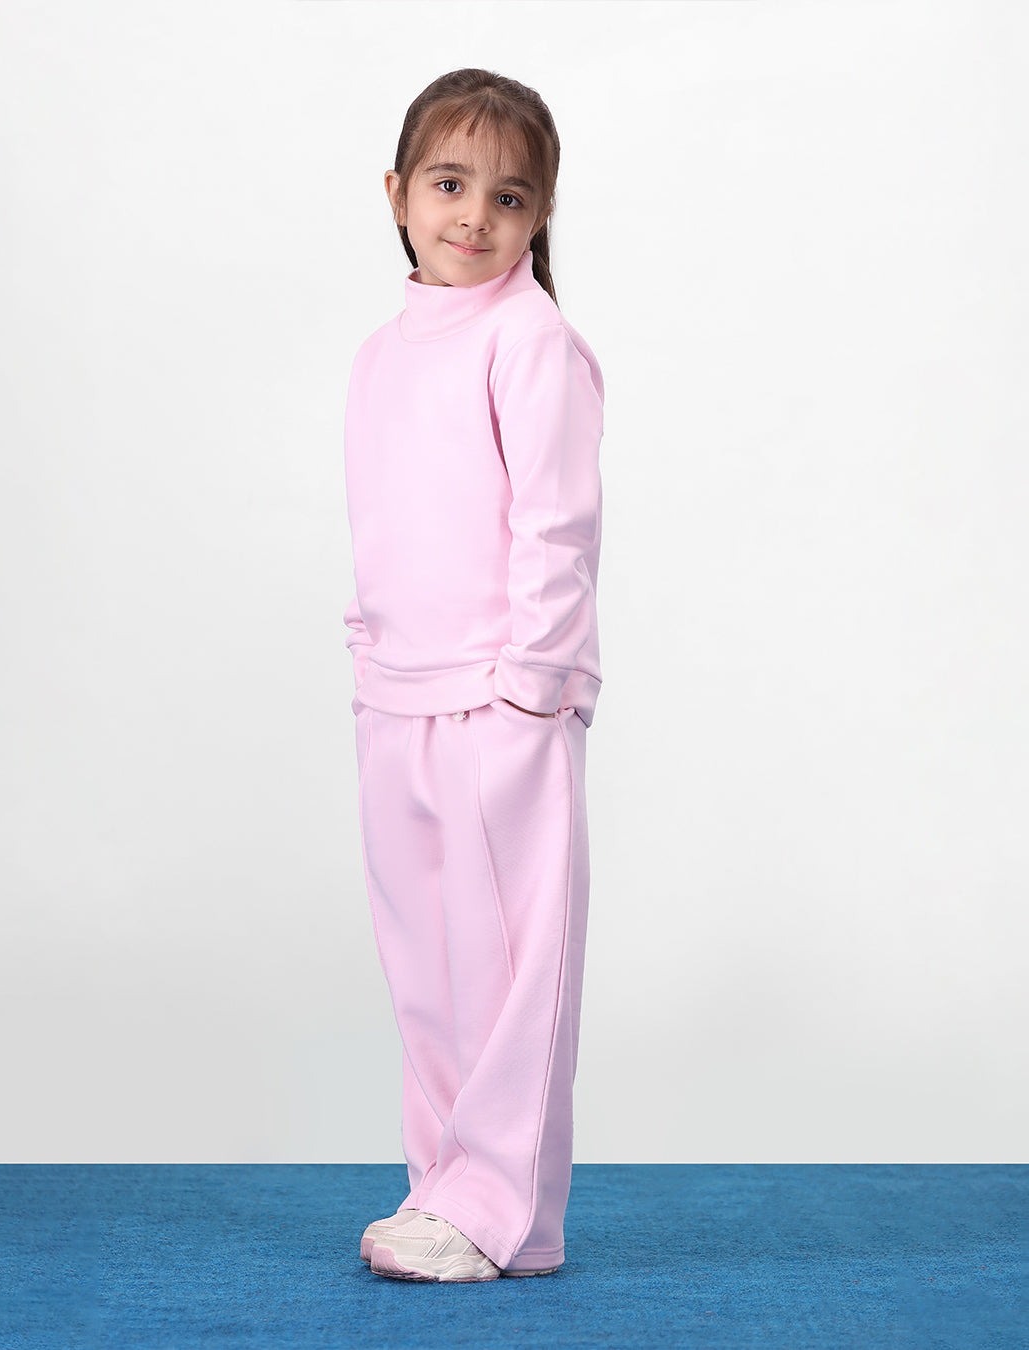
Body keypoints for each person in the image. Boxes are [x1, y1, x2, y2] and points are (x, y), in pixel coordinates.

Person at [342, 67, 605, 1283]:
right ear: (398, 193)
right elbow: (386, 517)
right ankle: (444, 1186)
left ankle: (507, 1214)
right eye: (450, 185)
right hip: (398, 693)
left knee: (509, 973)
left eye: (509, 197)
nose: (475, 216)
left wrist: (533, 684)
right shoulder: (381, 355)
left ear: (539, 216)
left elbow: (558, 520)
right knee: (431, 974)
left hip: (504, 698)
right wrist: (371, 653)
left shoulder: (531, 339)